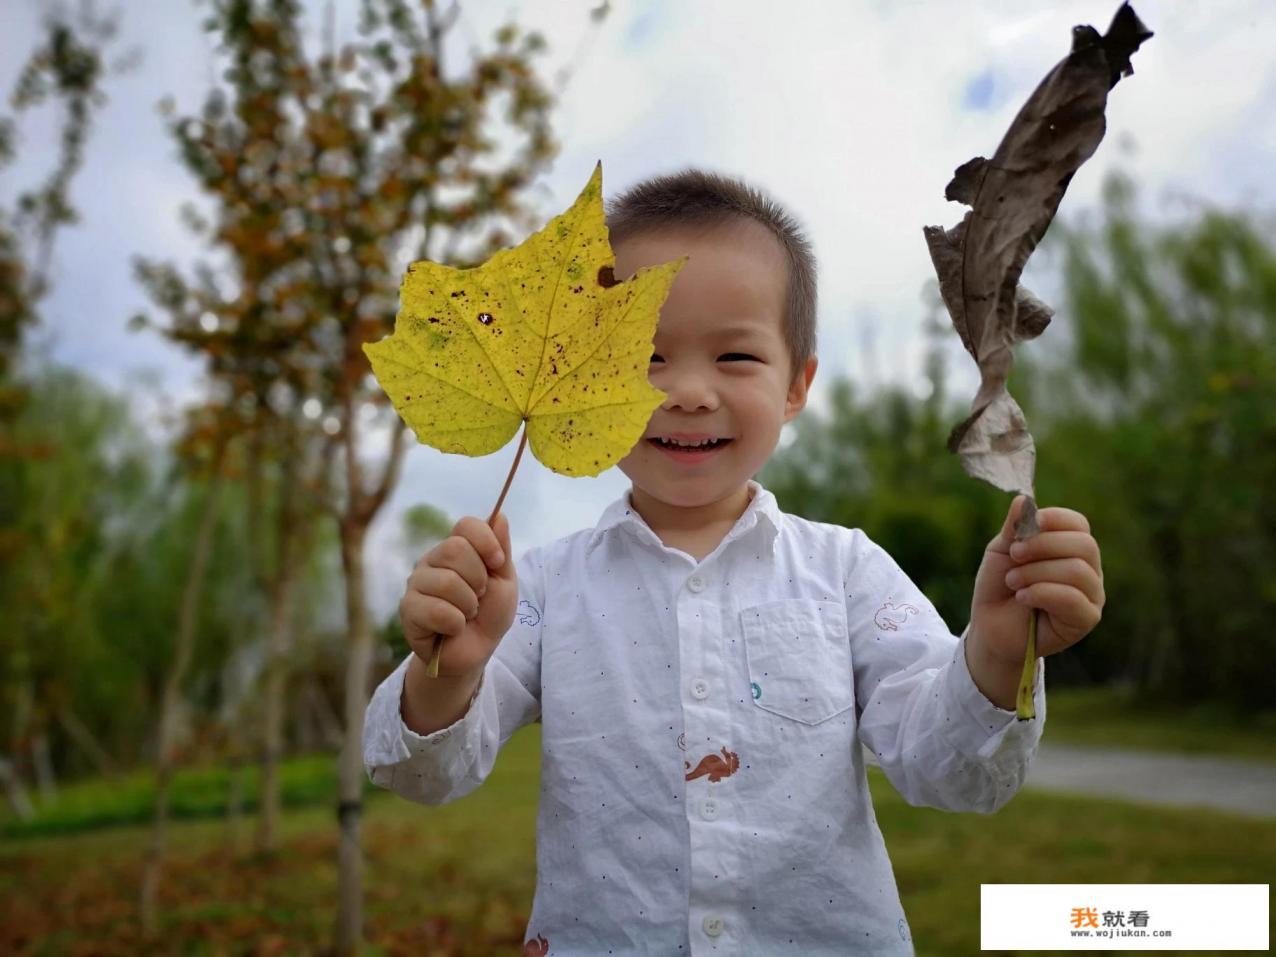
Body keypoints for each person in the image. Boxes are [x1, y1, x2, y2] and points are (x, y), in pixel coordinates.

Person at [362, 170, 1106, 955]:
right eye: (644, 354)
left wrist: (992, 650)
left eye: (737, 356)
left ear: (797, 385)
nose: (687, 390)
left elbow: (950, 772)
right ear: (581, 378)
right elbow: (421, 775)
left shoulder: (845, 572)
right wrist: (447, 672)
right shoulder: (536, 588)